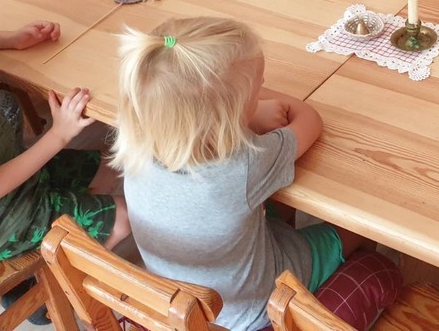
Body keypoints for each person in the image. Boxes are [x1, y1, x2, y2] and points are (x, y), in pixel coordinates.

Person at [113, 17, 365, 331]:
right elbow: (310, 120)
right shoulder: (242, 165)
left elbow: (212, 116)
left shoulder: (134, 139)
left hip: (182, 297)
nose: (263, 88)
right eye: (258, 88)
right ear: (230, 113)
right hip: (254, 310)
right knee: (361, 236)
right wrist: (250, 104)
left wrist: (242, 103)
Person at [0, 0, 130, 268]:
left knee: (109, 165)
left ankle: (66, 234)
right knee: (122, 218)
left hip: (6, 172)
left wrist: (12, 39)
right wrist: (58, 134)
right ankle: (63, 278)